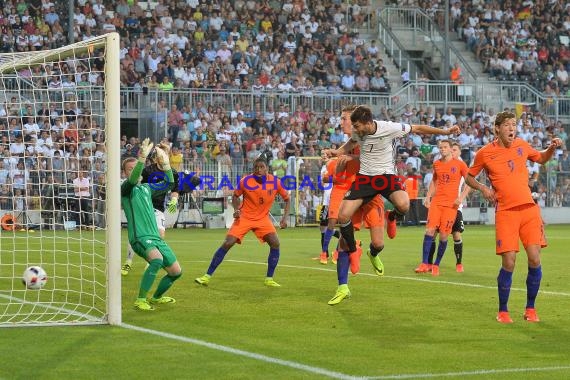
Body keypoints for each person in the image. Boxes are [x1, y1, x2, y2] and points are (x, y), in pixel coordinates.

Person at [322, 105, 460, 282]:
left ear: (368, 122)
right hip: (365, 178)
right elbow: (351, 143)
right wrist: (335, 152)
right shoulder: (359, 132)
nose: (354, 129)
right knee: (343, 215)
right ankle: (352, 248)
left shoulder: (389, 128)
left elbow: (417, 128)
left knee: (404, 205)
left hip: (386, 176)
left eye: (357, 126)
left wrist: (446, 131)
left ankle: (392, 217)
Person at [465, 111, 563, 323]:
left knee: (535, 258)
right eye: (508, 125)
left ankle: (530, 309)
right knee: (509, 262)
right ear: (497, 128)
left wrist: (552, 148)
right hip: (506, 212)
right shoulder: (484, 153)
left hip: (529, 210)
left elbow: (542, 159)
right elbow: (469, 176)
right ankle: (503, 310)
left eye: (514, 124)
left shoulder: (522, 145)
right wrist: (482, 188)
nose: (512, 128)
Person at [195, 157, 290, 287]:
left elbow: (287, 199)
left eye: (261, 167)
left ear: (267, 168)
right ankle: (206, 276)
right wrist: (236, 209)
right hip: (245, 217)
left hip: (262, 219)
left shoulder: (275, 182)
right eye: (256, 167)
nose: (258, 169)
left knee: (275, 243)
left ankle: (269, 279)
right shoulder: (245, 181)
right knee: (228, 243)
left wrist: (285, 218)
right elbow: (235, 196)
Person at [121, 139, 182, 311]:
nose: (135, 171)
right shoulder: (126, 188)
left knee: (176, 272)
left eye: (136, 168)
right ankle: (140, 300)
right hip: (140, 237)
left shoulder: (147, 188)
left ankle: (156, 298)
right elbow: (133, 180)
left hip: (155, 237)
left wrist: (166, 164)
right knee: (157, 260)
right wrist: (141, 158)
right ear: (125, 173)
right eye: (130, 169)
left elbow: (169, 184)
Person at [121, 142, 198, 276]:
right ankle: (128, 261)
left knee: (160, 235)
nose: (162, 157)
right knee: (137, 233)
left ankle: (151, 261)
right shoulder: (148, 170)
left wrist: (174, 200)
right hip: (144, 205)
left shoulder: (172, 172)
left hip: (158, 207)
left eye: (165, 154)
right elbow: (135, 181)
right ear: (156, 157)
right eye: (160, 155)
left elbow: (174, 189)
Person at [414, 140, 468, 276]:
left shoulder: (460, 164)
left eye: (445, 147)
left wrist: (461, 197)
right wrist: (428, 196)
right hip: (436, 203)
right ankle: (424, 263)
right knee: (429, 231)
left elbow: (470, 182)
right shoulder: (436, 164)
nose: (442, 150)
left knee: (444, 235)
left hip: (451, 205)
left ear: (450, 149)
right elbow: (434, 181)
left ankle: (437, 264)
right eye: (440, 148)